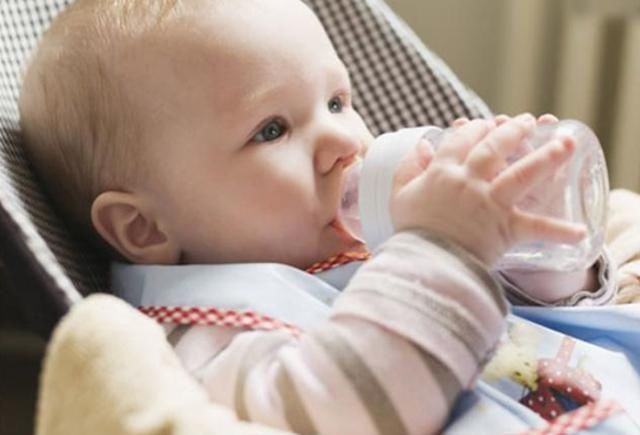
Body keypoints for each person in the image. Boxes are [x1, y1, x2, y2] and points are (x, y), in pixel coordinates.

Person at [19, 0, 629, 433]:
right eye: (272, 129)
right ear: (144, 228)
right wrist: (445, 248)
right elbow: (347, 410)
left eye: (337, 101)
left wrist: (537, 248)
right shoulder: (207, 332)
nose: (343, 140)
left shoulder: (379, 236)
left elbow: (550, 327)